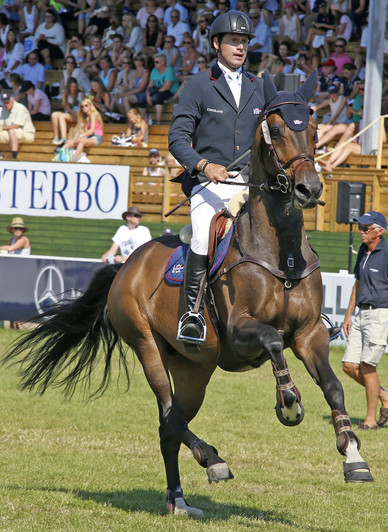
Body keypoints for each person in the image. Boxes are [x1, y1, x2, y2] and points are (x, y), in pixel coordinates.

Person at [168, 9, 273, 345]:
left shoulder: (260, 86)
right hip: (210, 184)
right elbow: (177, 139)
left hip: (250, 183)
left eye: (244, 42)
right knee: (201, 235)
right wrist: (202, 166)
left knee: (286, 220)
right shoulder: (198, 85)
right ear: (217, 44)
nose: (240, 47)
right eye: (233, 41)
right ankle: (192, 314)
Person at [341, 211, 388, 431]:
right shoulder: (362, 251)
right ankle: (385, 397)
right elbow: (357, 284)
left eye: (366, 228)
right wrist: (348, 315)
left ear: (380, 231)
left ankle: (370, 420)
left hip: (381, 314)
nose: (361, 232)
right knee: (349, 366)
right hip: (360, 313)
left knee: (368, 366)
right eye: (360, 227)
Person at [0, 91, 36, 159]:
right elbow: (1, 123)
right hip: (11, 133)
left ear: (12, 100)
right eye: (4, 103)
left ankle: (14, 156)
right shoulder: (4, 109)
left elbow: (17, 125)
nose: (6, 105)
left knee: (12, 130)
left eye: (8, 102)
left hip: (26, 133)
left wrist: (0, 128)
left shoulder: (20, 108)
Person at [61, 98, 103, 163]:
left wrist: (80, 137)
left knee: (81, 142)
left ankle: (72, 161)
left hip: (96, 137)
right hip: (88, 137)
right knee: (69, 142)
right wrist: (75, 139)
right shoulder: (84, 117)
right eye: (82, 106)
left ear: (90, 106)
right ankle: (57, 159)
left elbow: (91, 130)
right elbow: (80, 129)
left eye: (86, 105)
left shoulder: (93, 114)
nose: (84, 107)